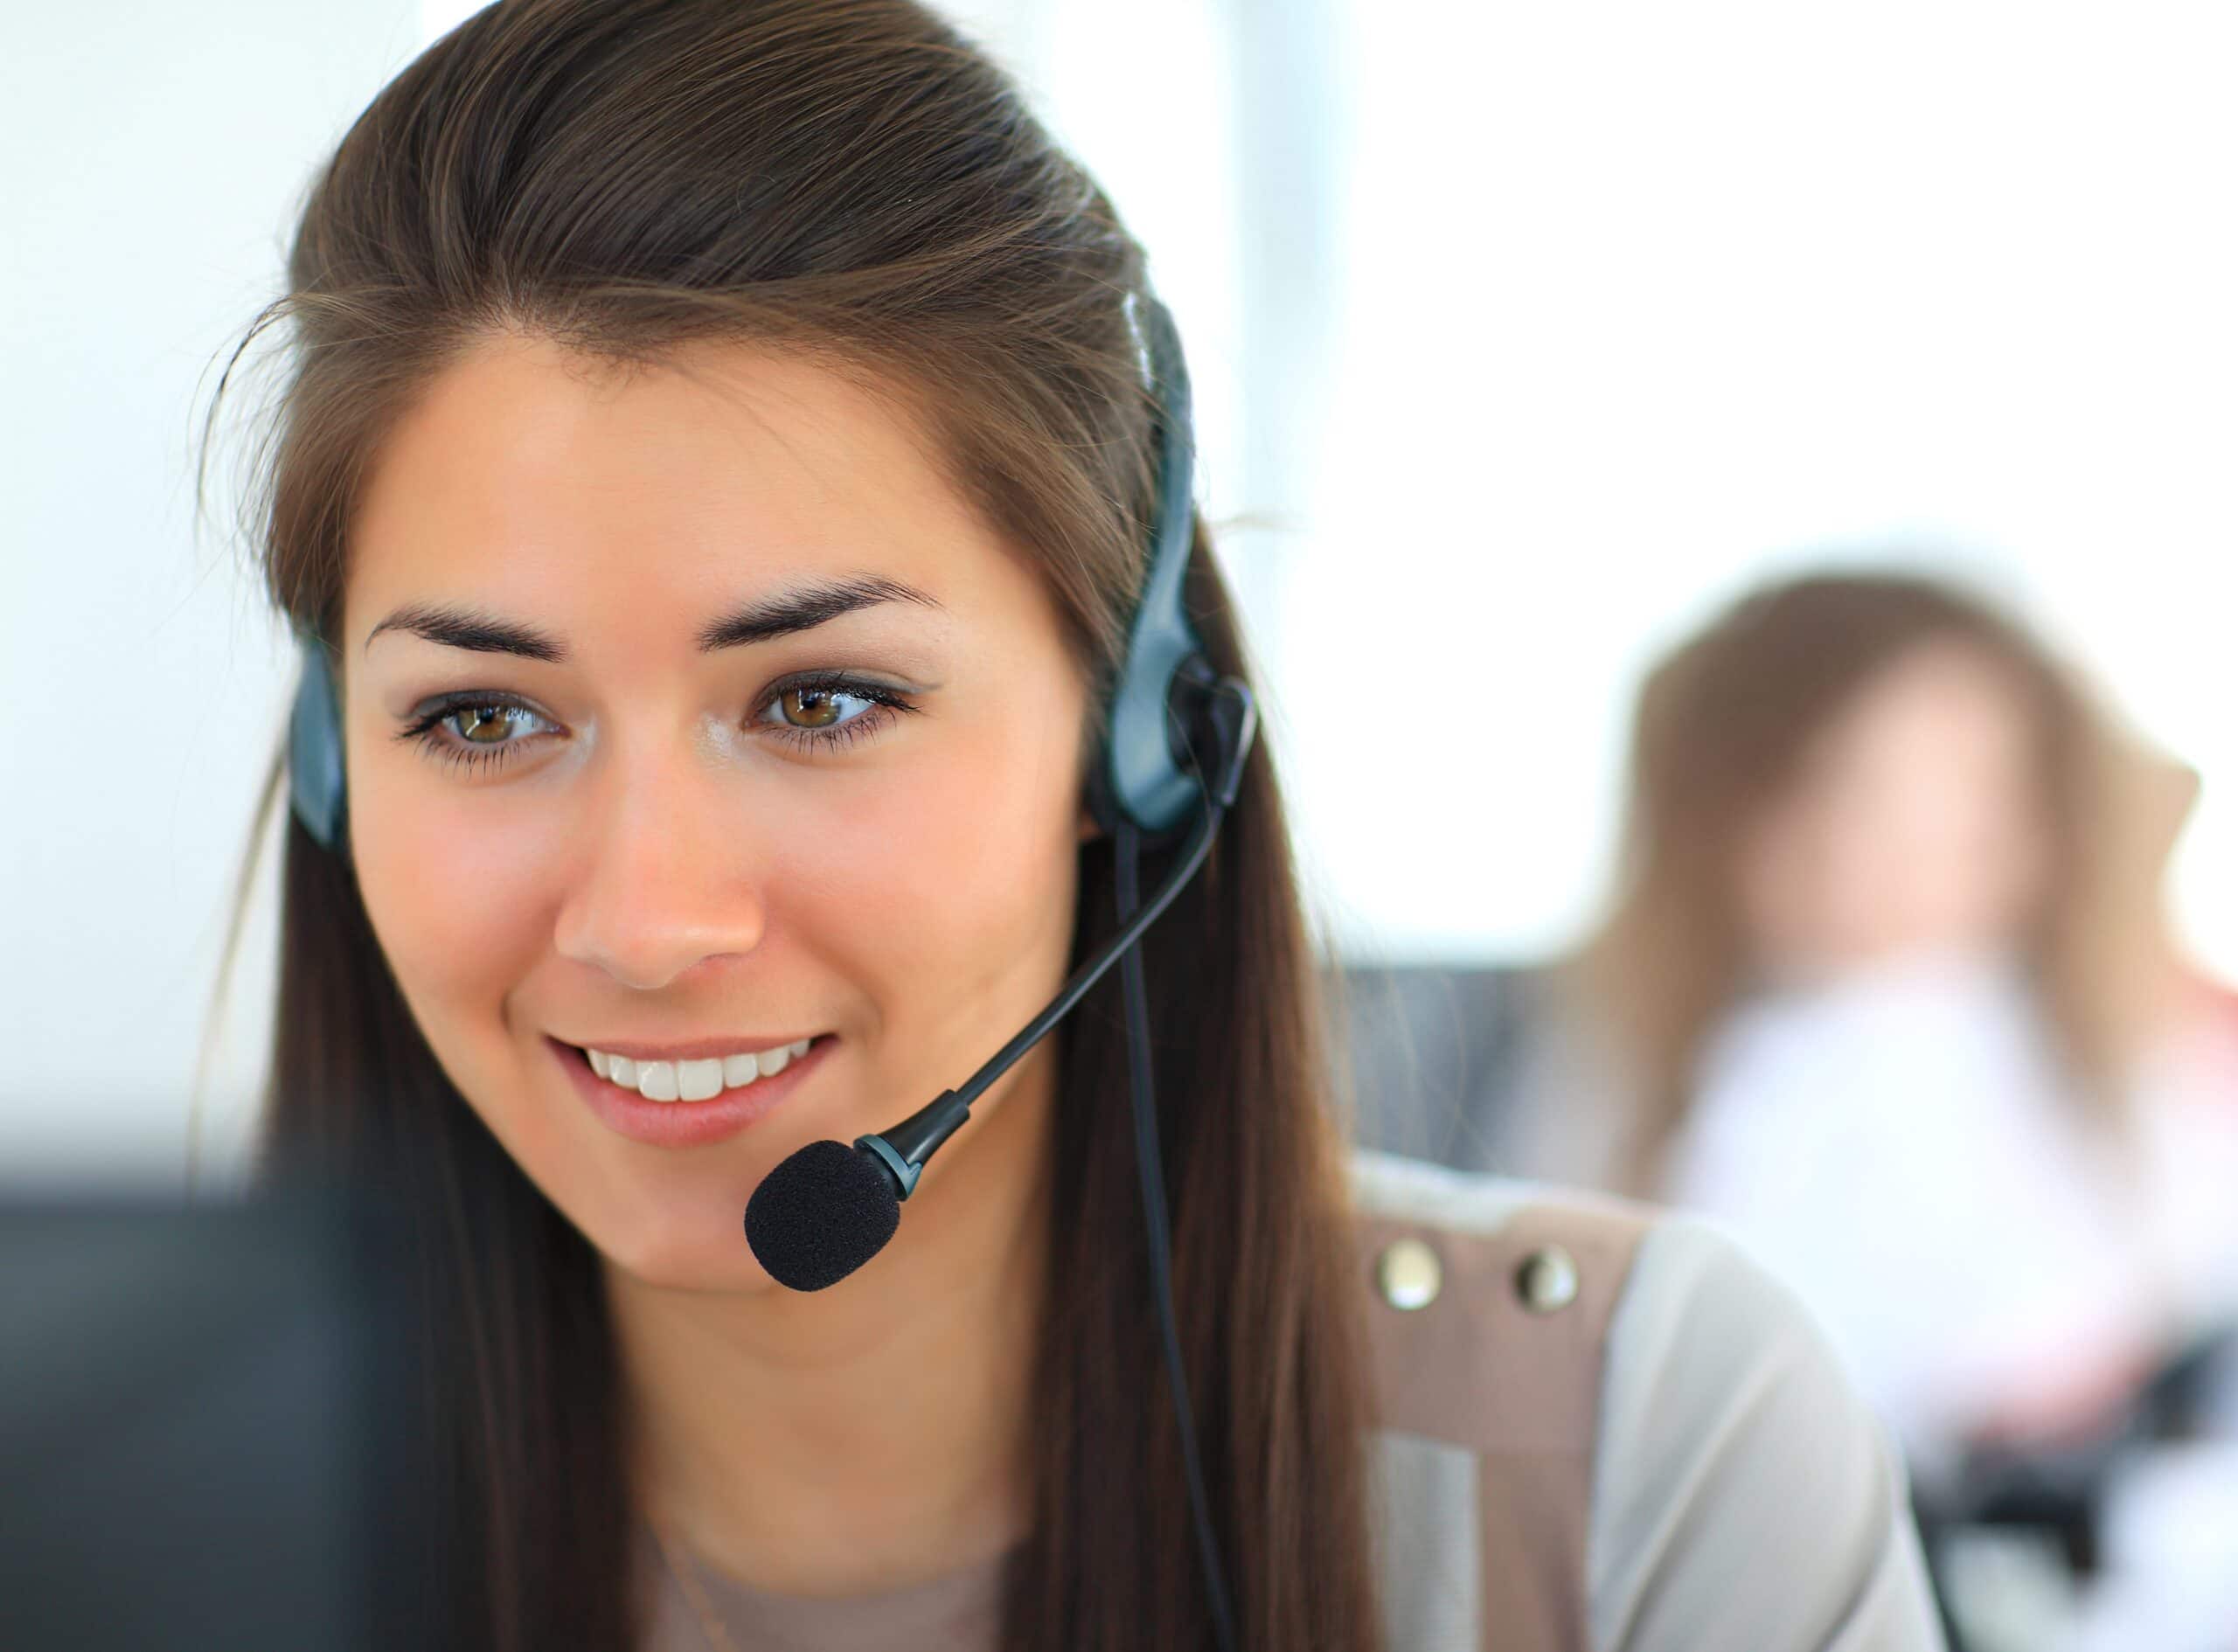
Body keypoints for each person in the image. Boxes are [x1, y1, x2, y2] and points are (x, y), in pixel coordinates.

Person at [201, 3, 1944, 1648]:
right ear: (339, 764)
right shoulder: (137, 1521)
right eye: (482, 717)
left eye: (820, 702)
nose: (649, 921)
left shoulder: (1643, 1458)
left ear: (1134, 738)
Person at [1488, 572, 2238, 1474]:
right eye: (1841, 794)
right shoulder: (1629, 1074)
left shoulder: (2131, 1063)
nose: (1902, 854)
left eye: (1964, 802)